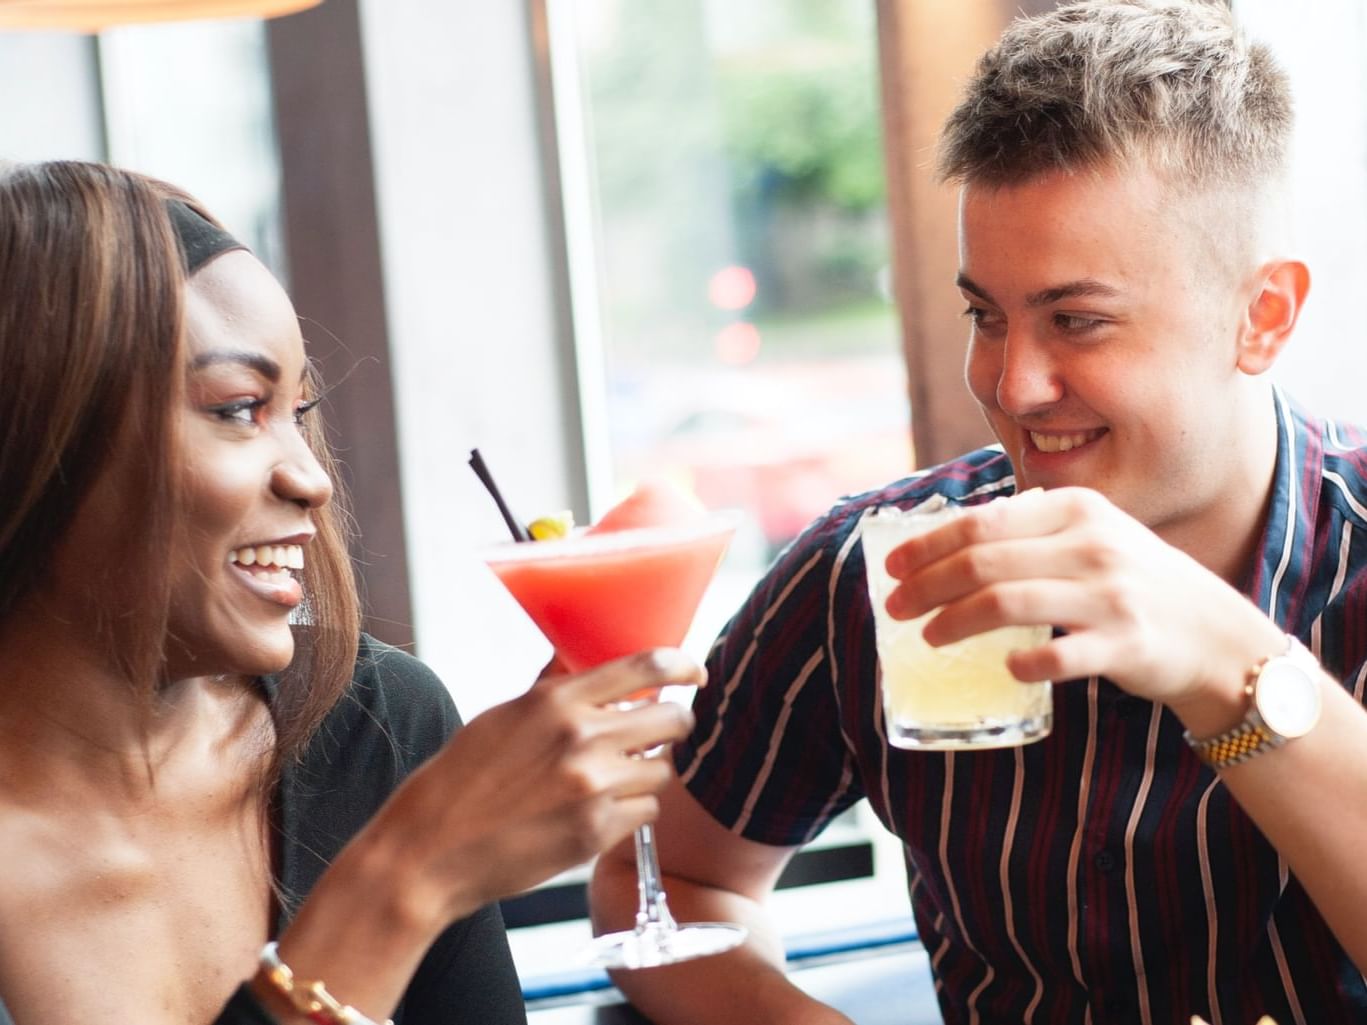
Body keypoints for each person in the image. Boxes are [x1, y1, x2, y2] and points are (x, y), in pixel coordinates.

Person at [589, 1, 1367, 1022]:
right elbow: (668, 886)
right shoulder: (874, 569)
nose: (1011, 382)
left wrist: (1221, 659)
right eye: (984, 316)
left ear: (1260, 314)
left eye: (1075, 320)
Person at [0, 158, 703, 1025]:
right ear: (38, 438)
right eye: (235, 408)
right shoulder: (414, 830)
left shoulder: (376, 724)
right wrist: (406, 872)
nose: (310, 477)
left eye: (299, 410)